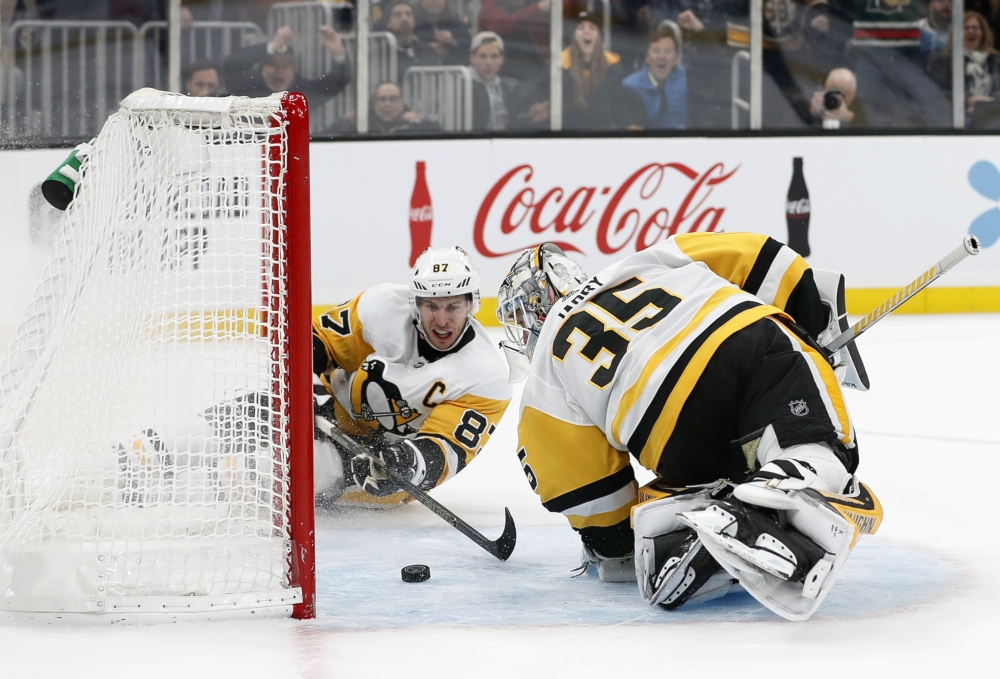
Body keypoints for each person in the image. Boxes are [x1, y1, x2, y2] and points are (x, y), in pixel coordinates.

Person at [495, 233, 880, 621]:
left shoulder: (545, 370)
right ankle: (786, 482)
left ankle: (691, 523)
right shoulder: (645, 261)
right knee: (817, 447)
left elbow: (588, 495)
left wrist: (613, 543)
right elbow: (766, 258)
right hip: (745, 345)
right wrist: (812, 325)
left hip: (673, 436)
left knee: (690, 478)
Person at [312, 247, 511, 508]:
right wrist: (310, 389)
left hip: (376, 463)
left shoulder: (486, 377)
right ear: (415, 303)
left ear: (471, 304)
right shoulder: (382, 306)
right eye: (431, 305)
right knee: (250, 414)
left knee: (290, 467)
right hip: (326, 411)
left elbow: (449, 450)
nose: (441, 320)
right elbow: (316, 341)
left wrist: (408, 461)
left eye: (453, 306)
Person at [557, 11, 647, 130]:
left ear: (599, 36)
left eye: (592, 28)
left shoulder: (612, 68)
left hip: (602, 135)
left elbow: (616, 104)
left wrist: (629, 126)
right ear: (573, 36)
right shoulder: (559, 68)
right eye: (581, 28)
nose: (586, 31)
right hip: (568, 135)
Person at [222, 24, 351, 106]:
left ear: (294, 70)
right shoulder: (247, 89)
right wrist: (270, 47)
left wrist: (338, 54)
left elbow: (337, 82)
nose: (278, 71)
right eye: (273, 65)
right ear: (262, 67)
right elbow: (229, 66)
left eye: (285, 66)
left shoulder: (301, 94)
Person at [622, 25, 687, 129]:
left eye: (668, 51)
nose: (662, 56)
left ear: (675, 58)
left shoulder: (686, 81)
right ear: (647, 57)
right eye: (656, 50)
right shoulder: (629, 86)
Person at [478, 0, 551, 81]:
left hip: (536, 69)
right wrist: (537, 8)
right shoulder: (491, 3)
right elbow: (501, 24)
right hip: (500, 72)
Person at [469, 31, 526, 131]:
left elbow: (514, 123)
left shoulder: (509, 88)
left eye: (494, 57)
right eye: (482, 56)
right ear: (472, 58)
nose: (488, 62)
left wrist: (531, 116)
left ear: (502, 59)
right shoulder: (463, 87)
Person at [381, 0, 443, 82]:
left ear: (414, 20)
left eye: (408, 14)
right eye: (397, 15)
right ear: (388, 23)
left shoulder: (428, 51)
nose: (404, 18)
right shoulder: (382, 55)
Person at [414, 0, 472, 66]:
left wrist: (453, 41)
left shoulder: (455, 23)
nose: (435, 1)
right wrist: (427, 48)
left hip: (452, 70)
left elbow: (470, 50)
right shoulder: (412, 23)